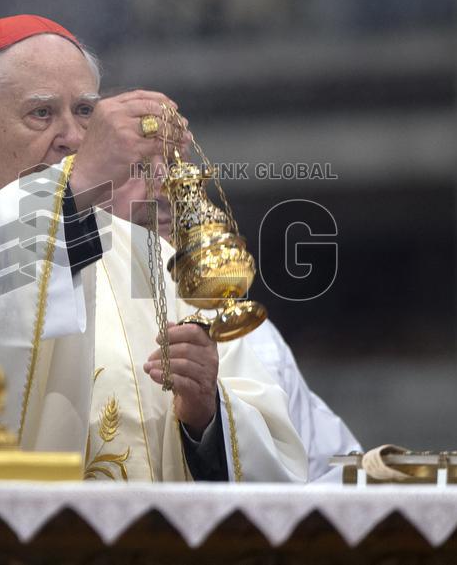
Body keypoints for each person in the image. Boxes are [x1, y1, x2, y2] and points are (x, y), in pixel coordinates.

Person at [0, 15, 308, 482]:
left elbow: (276, 445)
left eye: (85, 113)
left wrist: (206, 419)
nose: (73, 139)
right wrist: (78, 184)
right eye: (41, 113)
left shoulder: (145, 253)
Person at [109, 163, 362, 482]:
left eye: (172, 167)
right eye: (136, 166)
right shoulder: (62, 314)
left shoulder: (253, 340)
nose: (162, 187)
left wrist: (209, 420)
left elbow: (329, 473)